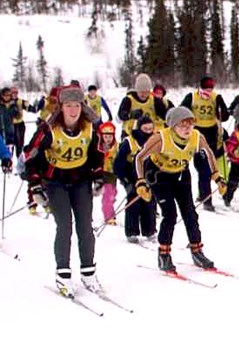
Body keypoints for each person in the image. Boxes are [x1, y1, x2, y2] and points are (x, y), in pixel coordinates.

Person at [23, 85, 105, 294]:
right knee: (65, 226)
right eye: (68, 106)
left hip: (80, 181)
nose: (73, 110)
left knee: (85, 226)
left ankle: (88, 272)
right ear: (61, 107)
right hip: (55, 182)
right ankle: (63, 273)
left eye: (76, 105)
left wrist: (97, 176)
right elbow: (31, 156)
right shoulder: (49, 129)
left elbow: (97, 153)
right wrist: (35, 185)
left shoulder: (89, 127)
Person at [133, 107, 225, 272]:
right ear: (173, 126)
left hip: (181, 176)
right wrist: (140, 181)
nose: (187, 128)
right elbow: (139, 158)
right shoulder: (160, 139)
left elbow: (209, 153)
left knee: (190, 213)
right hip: (159, 176)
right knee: (170, 214)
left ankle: (197, 251)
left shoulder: (197, 137)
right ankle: (164, 254)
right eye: (182, 125)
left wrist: (217, 176)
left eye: (190, 124)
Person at [181, 75, 231, 211]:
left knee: (212, 167)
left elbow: (225, 117)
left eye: (210, 89)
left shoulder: (216, 97)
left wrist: (221, 107)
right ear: (200, 88)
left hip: (213, 134)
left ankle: (223, 196)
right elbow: (181, 112)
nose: (207, 93)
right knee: (203, 169)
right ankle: (206, 199)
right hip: (196, 133)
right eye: (205, 90)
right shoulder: (191, 97)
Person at [113, 115, 158, 243]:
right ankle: (132, 231)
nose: (148, 131)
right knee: (134, 202)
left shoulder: (155, 141)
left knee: (150, 202)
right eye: (145, 129)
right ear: (139, 128)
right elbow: (118, 164)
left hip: (148, 177)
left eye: (151, 129)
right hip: (131, 177)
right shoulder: (129, 142)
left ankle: (149, 230)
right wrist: (125, 181)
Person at [118, 73, 167, 138]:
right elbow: (120, 116)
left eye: (146, 92)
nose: (143, 94)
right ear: (137, 90)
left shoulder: (155, 100)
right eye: (141, 92)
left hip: (150, 134)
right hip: (130, 135)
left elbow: (164, 115)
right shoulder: (128, 100)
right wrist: (131, 114)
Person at [97, 122, 119, 225]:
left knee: (113, 193)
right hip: (102, 173)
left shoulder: (117, 146)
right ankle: (108, 215)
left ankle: (110, 209)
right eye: (105, 136)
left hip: (112, 174)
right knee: (108, 194)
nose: (108, 139)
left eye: (110, 136)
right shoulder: (98, 147)